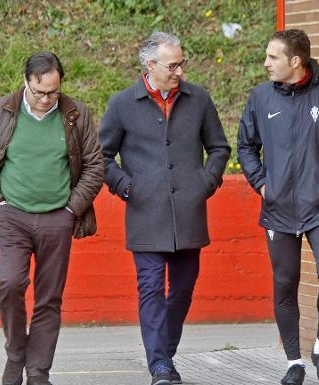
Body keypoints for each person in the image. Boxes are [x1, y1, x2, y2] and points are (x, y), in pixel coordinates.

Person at [99, 32, 230, 385]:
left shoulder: (199, 99)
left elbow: (219, 148)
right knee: (152, 288)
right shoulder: (123, 103)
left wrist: (206, 183)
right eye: (172, 65)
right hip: (145, 214)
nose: (179, 72)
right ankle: (159, 365)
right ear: (150, 65)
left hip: (189, 213)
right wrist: (126, 186)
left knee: (184, 288)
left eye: (181, 64)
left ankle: (164, 354)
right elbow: (102, 157)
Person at [0, 51, 104, 385]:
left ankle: (38, 370)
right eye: (39, 92)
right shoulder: (0, 112)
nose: (46, 99)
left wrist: (72, 209)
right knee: (9, 283)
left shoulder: (75, 114)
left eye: (53, 92)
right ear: (25, 82)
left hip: (59, 217)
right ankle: (17, 353)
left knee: (49, 298)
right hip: (11, 215)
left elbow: (95, 165)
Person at [237, 30, 319, 385]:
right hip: (278, 208)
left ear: (296, 61)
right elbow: (246, 145)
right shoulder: (261, 98)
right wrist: (262, 184)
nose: (265, 63)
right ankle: (294, 362)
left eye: (272, 57)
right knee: (285, 282)